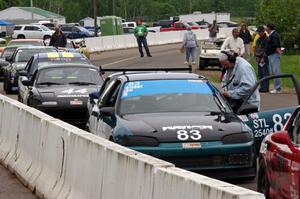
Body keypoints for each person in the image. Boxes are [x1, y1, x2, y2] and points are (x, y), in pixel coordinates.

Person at [265, 23, 283, 94]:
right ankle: (277, 87)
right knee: (274, 71)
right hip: (271, 54)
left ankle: (278, 88)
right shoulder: (272, 35)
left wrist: (277, 49)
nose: (266, 28)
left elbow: (276, 44)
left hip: (274, 55)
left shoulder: (274, 35)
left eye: (266, 27)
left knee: (276, 71)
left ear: (269, 28)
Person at [254, 26, 269, 93]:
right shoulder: (258, 39)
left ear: (263, 31)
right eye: (258, 32)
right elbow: (256, 49)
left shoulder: (267, 39)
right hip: (259, 58)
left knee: (265, 73)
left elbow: (266, 49)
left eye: (260, 32)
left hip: (264, 58)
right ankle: (261, 87)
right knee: (260, 74)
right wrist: (256, 57)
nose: (259, 33)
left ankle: (265, 88)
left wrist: (263, 58)